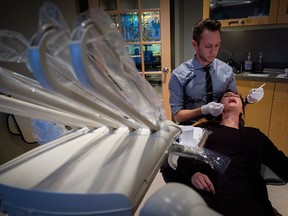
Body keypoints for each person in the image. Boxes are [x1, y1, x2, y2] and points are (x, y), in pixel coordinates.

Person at [161, 18, 263, 183]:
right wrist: (202, 110)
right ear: (195, 44)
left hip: (222, 128)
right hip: (194, 130)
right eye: (208, 46)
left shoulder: (226, 71)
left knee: (238, 164)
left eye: (217, 45)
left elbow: (233, 107)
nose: (213, 52)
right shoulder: (179, 76)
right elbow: (178, 116)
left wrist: (249, 101)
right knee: (167, 166)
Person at [176, 90, 288, 216]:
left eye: (236, 96)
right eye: (226, 95)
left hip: (248, 199)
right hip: (210, 196)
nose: (231, 95)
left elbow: (281, 163)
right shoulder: (205, 129)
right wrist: (193, 173)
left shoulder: (254, 135)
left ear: (242, 109)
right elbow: (184, 157)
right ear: (218, 108)